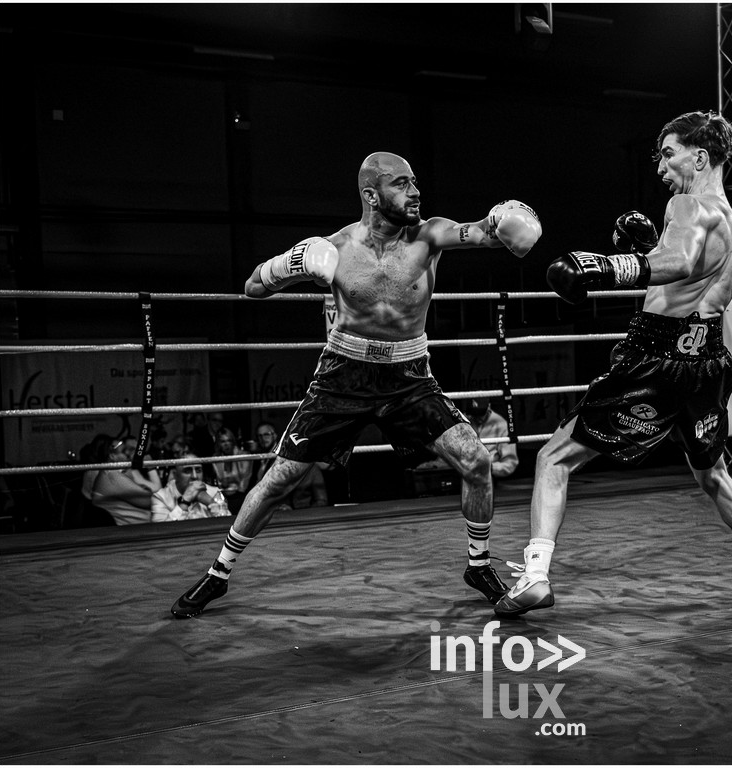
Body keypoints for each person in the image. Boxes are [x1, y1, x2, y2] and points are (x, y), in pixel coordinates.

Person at [170, 151, 542, 619]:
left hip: (409, 376)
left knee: (476, 459)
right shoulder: (337, 247)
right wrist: (290, 263)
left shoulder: (430, 234)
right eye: (401, 184)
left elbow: (481, 233)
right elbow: (252, 286)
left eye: (415, 182)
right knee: (281, 479)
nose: (415, 192)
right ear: (371, 195)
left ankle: (479, 565)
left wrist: (502, 221)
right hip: (344, 373)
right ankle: (219, 572)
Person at [494, 111, 732, 618]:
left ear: (699, 158)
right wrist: (646, 250)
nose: (660, 167)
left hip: (657, 358)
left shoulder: (686, 204)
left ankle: (536, 576)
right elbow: (690, 277)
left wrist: (604, 266)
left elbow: (679, 263)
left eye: (669, 154)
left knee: (554, 458)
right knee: (713, 475)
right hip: (706, 361)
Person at [415, 398, 519, 480]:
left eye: (481, 414)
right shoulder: (463, 419)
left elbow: (510, 463)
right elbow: (449, 450)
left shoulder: (501, 424)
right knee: (423, 470)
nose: (477, 418)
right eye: (474, 414)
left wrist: (489, 468)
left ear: (489, 407)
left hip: (488, 473)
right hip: (459, 469)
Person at [252, 421, 328, 510]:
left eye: (266, 434)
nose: (262, 438)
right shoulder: (276, 464)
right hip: (275, 512)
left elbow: (321, 501)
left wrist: (295, 511)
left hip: (301, 514)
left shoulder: (312, 469)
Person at [91, 437, 163, 525]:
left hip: (143, 525)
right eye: (124, 451)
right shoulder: (111, 475)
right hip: (134, 530)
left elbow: (156, 489)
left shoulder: (124, 471)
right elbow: (154, 501)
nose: (129, 453)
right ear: (112, 456)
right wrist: (150, 466)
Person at [152, 453, 232, 522]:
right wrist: (185, 501)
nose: (195, 476)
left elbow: (228, 525)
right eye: (187, 471)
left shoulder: (214, 492)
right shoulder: (160, 497)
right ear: (175, 475)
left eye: (198, 470)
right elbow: (161, 531)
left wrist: (210, 502)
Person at [207, 427, 252, 514]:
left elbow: (244, 483)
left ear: (233, 441)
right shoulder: (216, 459)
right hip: (222, 497)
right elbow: (218, 483)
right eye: (223, 441)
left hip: (241, 497)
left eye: (229, 441)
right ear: (218, 443)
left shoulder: (244, 456)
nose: (226, 444)